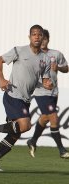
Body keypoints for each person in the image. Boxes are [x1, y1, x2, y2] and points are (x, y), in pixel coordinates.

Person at [0, 25, 55, 171]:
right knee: (26, 126)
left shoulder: (45, 59)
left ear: (43, 38)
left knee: (14, 135)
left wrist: (47, 84)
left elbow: (45, 80)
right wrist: (1, 78)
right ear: (29, 37)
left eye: (39, 35)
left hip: (26, 99)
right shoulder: (19, 50)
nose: (37, 37)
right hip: (13, 95)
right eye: (34, 34)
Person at [27, 29, 69, 158]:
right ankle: (62, 150)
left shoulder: (56, 54)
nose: (42, 41)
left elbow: (66, 68)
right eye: (40, 38)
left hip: (53, 92)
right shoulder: (34, 55)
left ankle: (32, 140)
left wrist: (59, 68)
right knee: (53, 117)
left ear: (48, 40)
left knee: (45, 117)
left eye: (44, 38)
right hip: (40, 92)